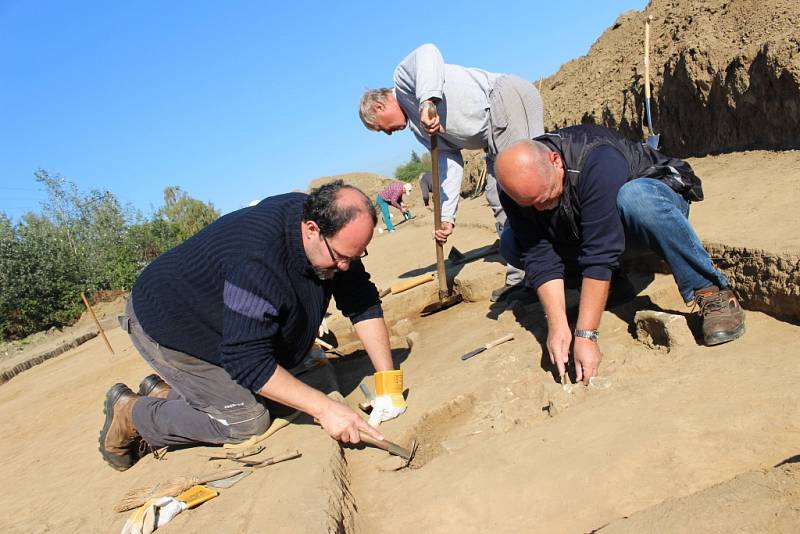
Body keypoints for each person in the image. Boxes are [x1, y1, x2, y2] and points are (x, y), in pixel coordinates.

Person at [99, 181, 407, 471]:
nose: (344, 267)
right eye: (340, 257)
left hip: (217, 319)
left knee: (282, 386)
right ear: (312, 229)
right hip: (169, 323)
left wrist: (388, 381)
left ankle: (171, 393)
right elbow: (246, 361)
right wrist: (326, 409)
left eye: (354, 257)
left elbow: (361, 300)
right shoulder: (257, 262)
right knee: (246, 420)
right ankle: (134, 414)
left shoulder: (332, 232)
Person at [494, 124, 745, 384]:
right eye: (531, 203)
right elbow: (539, 255)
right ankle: (615, 286)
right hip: (592, 226)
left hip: (650, 208)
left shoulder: (596, 159)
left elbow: (599, 252)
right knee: (512, 243)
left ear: (555, 160)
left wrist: (585, 334)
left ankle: (711, 291)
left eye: (544, 196)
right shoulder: (515, 190)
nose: (541, 206)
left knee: (635, 197)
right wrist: (557, 327)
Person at [359, 43, 544, 302]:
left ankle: (548, 268)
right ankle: (524, 275)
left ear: (378, 107)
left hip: (505, 100)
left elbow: (428, 51)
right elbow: (449, 161)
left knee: (526, 186)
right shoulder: (418, 129)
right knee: (497, 196)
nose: (388, 133)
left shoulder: (403, 80)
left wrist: (426, 101)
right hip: (491, 135)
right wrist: (447, 217)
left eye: (381, 129)